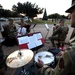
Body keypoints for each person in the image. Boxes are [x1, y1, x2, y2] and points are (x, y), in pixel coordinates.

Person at [35, 0, 75, 75]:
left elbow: (54, 74)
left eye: (71, 12)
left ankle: (53, 45)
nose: (69, 16)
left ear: (61, 22)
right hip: (64, 38)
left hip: (60, 38)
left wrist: (43, 66)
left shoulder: (70, 51)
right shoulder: (67, 27)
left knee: (51, 38)